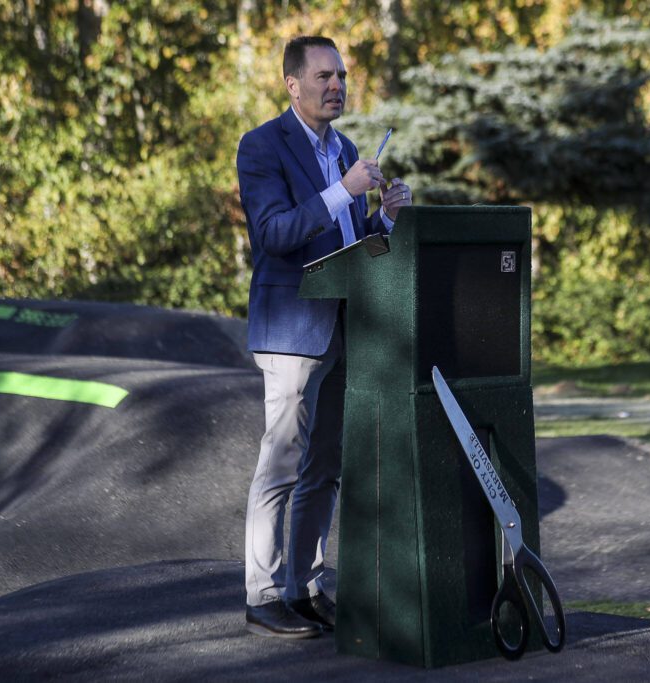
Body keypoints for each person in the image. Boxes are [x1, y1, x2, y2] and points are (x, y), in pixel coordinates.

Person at [236, 35, 412, 639]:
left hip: (345, 327)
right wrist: (345, 190)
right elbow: (275, 234)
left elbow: (346, 245)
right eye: (322, 76)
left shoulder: (348, 149)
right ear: (292, 84)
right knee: (281, 462)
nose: (336, 85)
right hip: (290, 328)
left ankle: (305, 587)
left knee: (326, 467)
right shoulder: (262, 145)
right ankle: (262, 595)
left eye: (340, 75)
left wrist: (383, 215)